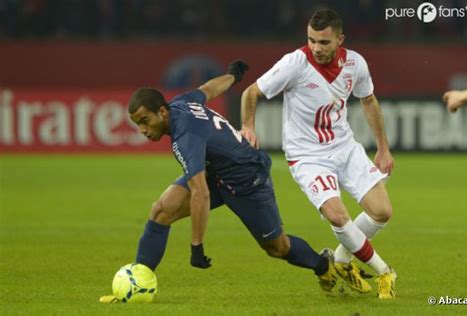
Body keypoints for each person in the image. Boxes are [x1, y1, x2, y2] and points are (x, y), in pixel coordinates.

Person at [100, 61, 337, 303]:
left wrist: (196, 246)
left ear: (162, 112)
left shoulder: (185, 137)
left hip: (247, 178)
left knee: (277, 247)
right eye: (137, 124)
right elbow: (209, 89)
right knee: (161, 210)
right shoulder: (181, 103)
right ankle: (136, 281)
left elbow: (200, 193)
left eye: (144, 121)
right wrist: (232, 76)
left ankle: (324, 266)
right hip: (218, 172)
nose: (142, 129)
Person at [240, 9, 396, 299]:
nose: (316, 48)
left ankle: (340, 260)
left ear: (340, 39)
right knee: (338, 216)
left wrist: (383, 148)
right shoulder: (295, 63)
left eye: (324, 42)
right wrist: (248, 126)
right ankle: (385, 271)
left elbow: (369, 100)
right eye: (311, 40)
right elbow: (250, 93)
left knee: (382, 212)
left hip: (345, 147)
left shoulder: (355, 64)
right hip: (307, 156)